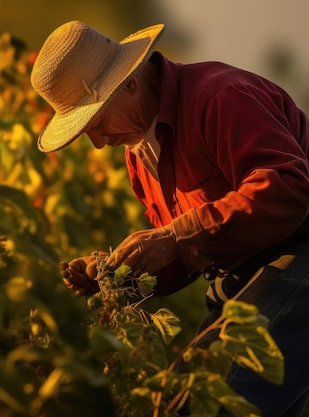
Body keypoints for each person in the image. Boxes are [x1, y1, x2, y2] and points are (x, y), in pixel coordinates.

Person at [30, 21, 309, 416]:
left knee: (202, 406)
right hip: (242, 280)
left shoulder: (219, 96)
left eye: (96, 123)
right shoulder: (138, 153)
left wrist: (175, 236)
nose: (97, 142)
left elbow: (290, 189)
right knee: (174, 401)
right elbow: (187, 255)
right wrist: (114, 274)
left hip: (298, 256)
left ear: (128, 83)